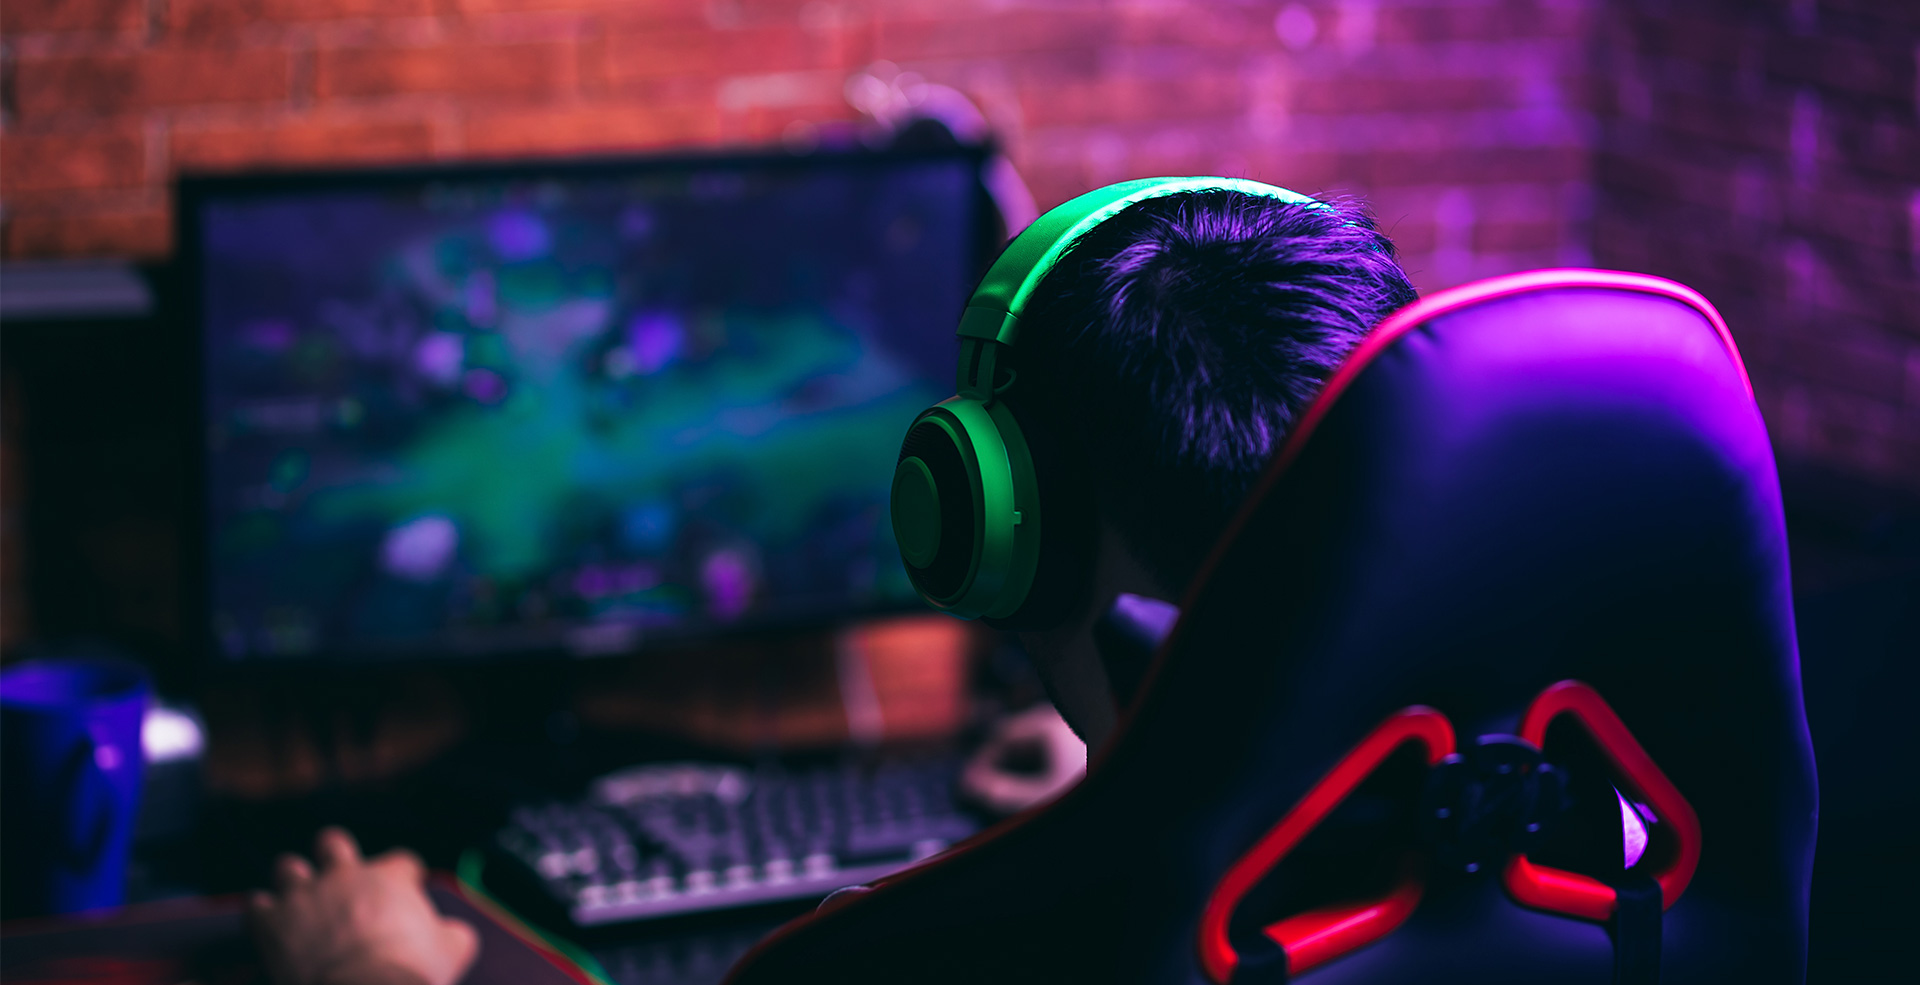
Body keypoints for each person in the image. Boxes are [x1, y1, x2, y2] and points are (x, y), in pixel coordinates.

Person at [248, 184, 1417, 984]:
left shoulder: (903, 964)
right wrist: (1141, 744)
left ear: (989, 524)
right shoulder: (1580, 846)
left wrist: (369, 965)